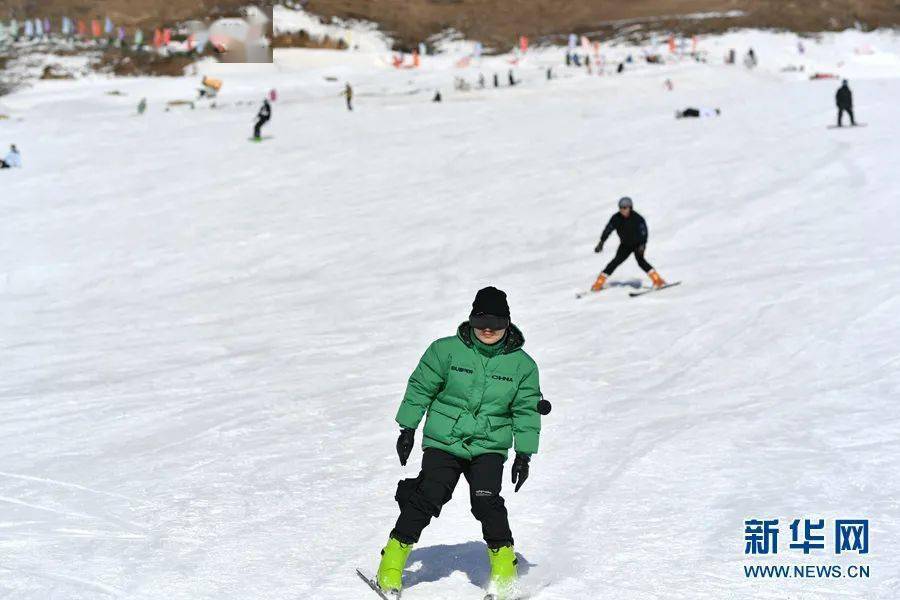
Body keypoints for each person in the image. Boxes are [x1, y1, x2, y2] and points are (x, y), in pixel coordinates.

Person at [374, 287, 543, 599]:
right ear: (471, 321)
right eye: (481, 322)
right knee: (428, 495)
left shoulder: (522, 366)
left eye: (494, 322)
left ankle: (505, 569)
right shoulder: (445, 351)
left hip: (489, 445)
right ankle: (392, 561)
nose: (487, 329)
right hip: (444, 440)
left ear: (507, 323)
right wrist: (407, 428)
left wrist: (524, 454)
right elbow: (420, 387)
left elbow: (526, 411)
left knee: (486, 501)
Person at [591, 197, 667, 291]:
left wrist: (642, 244)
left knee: (641, 261)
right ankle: (599, 282)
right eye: (621, 208)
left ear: (630, 207)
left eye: (625, 207)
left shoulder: (637, 218)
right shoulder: (616, 218)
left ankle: (658, 280)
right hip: (625, 245)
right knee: (615, 262)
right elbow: (608, 230)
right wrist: (601, 242)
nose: (623, 210)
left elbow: (644, 232)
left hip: (638, 245)